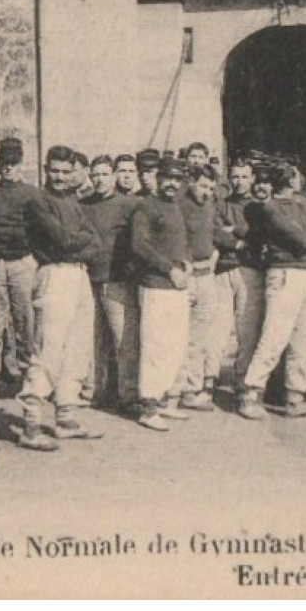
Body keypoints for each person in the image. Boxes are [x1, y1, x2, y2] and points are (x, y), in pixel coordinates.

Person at [18, 145, 106, 450]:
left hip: (79, 274)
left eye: (66, 172)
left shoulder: (73, 200)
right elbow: (62, 239)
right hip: (54, 275)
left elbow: (96, 242)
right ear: (46, 170)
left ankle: (66, 416)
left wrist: (78, 243)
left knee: (78, 347)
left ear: (74, 173)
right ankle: (30, 423)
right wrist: (79, 240)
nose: (59, 177)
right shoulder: (37, 202)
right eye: (54, 171)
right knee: (49, 347)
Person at [237, 160, 306, 420]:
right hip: (285, 275)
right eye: (296, 176)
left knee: (303, 338)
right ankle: (251, 393)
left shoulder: (300, 205)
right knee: (275, 336)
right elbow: (302, 241)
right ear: (290, 181)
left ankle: (295, 397)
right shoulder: (271, 209)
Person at [129, 156, 193, 431]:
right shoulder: (146, 207)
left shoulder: (175, 207)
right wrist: (169, 270)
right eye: (168, 178)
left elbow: (182, 242)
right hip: (156, 285)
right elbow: (139, 245)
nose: (172, 183)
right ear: (158, 178)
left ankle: (166, 400)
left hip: (178, 287)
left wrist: (187, 264)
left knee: (175, 345)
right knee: (155, 347)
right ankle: (148, 406)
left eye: (177, 179)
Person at [0, 136, 39, 399]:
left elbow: (40, 228)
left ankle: (29, 379)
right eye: (4, 163)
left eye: (13, 163)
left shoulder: (32, 194)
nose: (8, 168)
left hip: (22, 262)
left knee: (25, 321)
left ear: (21, 164)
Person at [83, 151, 142, 413]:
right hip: (88, 280)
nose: (99, 180)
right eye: (95, 175)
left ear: (114, 176)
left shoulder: (129, 205)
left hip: (117, 281)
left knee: (123, 340)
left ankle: (128, 396)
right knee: (93, 341)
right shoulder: (84, 205)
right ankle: (95, 391)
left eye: (104, 175)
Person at [213, 157, 264, 400]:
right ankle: (207, 380)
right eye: (235, 176)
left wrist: (232, 231)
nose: (239, 181)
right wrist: (239, 242)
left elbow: (260, 236)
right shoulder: (221, 205)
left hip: (250, 271)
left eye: (244, 176)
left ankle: (243, 381)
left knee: (247, 329)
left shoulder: (258, 207)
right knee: (218, 328)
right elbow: (214, 233)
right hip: (223, 270)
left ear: (253, 178)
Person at [177, 165, 225, 412]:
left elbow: (215, 231)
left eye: (211, 188)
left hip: (208, 275)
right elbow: (178, 239)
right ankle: (180, 389)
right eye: (203, 186)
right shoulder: (179, 205)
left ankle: (191, 389)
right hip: (189, 276)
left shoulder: (208, 204)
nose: (207, 192)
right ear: (191, 182)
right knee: (182, 336)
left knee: (200, 337)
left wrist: (232, 243)